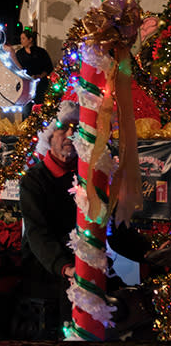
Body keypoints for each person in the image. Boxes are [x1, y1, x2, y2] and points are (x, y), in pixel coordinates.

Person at [19, 101, 150, 334]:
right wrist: (67, 267)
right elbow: (38, 234)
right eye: (63, 128)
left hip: (88, 262)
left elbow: (114, 229)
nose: (70, 133)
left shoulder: (90, 176)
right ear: (49, 137)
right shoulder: (34, 180)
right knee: (75, 295)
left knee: (129, 303)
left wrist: (148, 253)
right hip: (49, 267)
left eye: (76, 128)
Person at [16, 28, 53, 116]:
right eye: (21, 38)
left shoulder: (41, 52)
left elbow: (48, 67)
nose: (21, 41)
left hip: (40, 85)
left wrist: (40, 76)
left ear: (30, 39)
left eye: (23, 38)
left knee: (40, 108)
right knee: (26, 111)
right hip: (26, 86)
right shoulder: (19, 54)